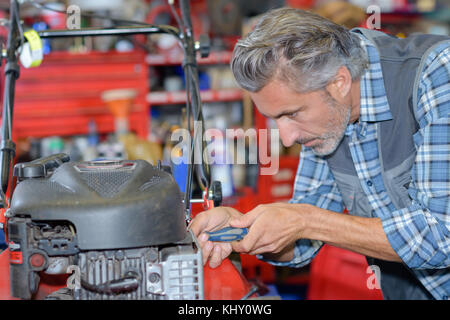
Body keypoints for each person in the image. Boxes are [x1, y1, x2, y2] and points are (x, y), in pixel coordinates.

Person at [189, 7, 450, 300]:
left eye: (292, 114)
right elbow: (303, 241)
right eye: (275, 119)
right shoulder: (327, 120)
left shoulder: (437, 76)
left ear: (339, 83)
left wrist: (305, 220)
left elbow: (442, 235)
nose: (288, 136)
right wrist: (243, 228)